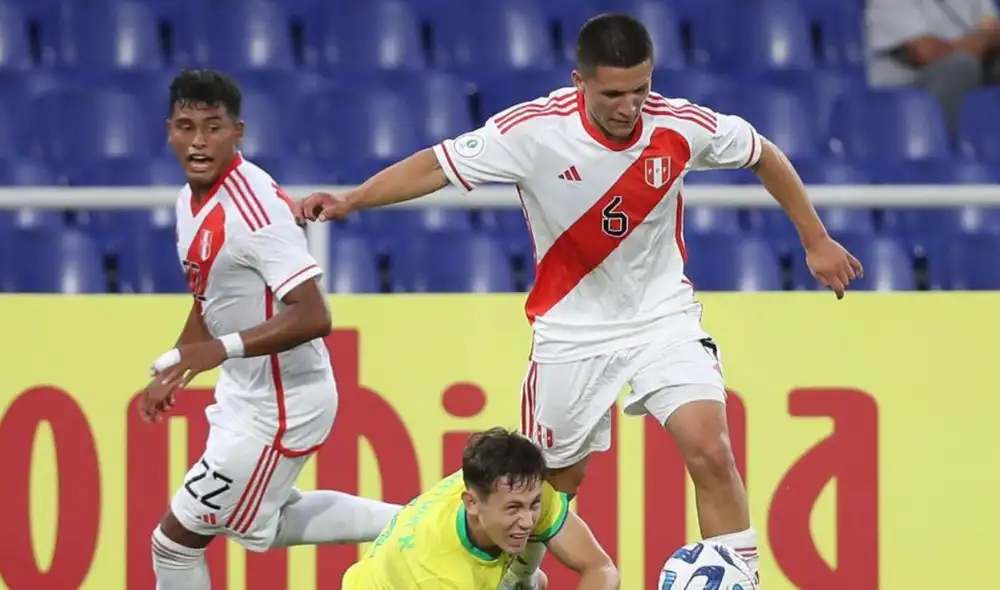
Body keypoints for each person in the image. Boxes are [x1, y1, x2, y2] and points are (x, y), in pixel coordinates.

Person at [295, 12, 864, 587]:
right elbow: (436, 166)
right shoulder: (533, 132)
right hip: (570, 334)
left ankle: (744, 580)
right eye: (613, 93)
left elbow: (762, 151)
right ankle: (518, 581)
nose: (629, 106)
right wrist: (353, 201)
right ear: (579, 81)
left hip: (661, 317)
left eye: (641, 89)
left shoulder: (680, 126)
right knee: (550, 490)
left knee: (711, 450)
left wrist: (815, 240)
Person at [139, 69, 400, 590]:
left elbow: (313, 315)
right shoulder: (188, 200)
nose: (197, 141)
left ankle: (439, 524)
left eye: (212, 127)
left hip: (282, 405)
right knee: (265, 521)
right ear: (168, 130)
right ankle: (434, 522)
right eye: (185, 126)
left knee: (173, 545)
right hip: (248, 393)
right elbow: (208, 296)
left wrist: (219, 349)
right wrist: (176, 363)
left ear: (238, 131)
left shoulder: (253, 212)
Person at [341, 427, 619, 590]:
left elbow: (602, 569)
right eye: (513, 509)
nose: (526, 521)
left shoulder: (518, 487)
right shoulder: (439, 575)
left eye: (533, 505)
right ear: (472, 503)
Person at [865, 0, 1000, 132]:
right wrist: (981, 42)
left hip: (973, 73)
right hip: (907, 91)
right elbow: (926, 52)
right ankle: (944, 145)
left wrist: (981, 42)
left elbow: (994, 31)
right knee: (958, 67)